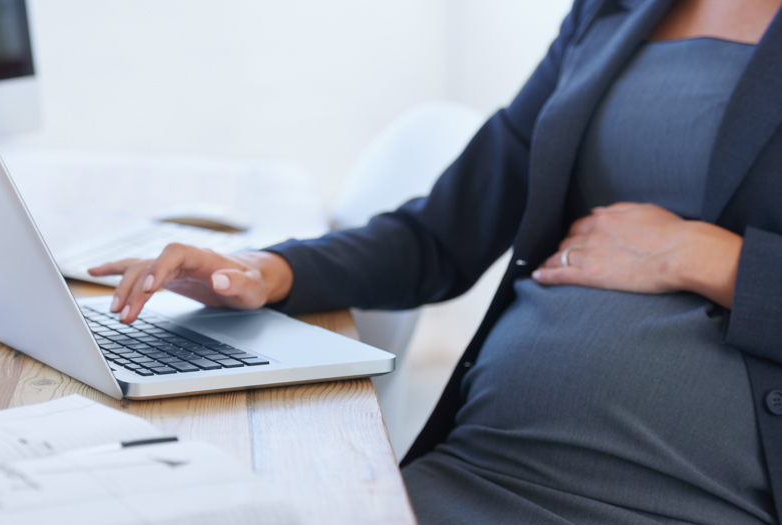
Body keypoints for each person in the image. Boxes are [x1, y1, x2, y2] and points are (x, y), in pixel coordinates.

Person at [89, 0, 782, 522]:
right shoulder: (610, 11)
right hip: (480, 463)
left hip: (678, 495)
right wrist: (266, 271)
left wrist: (710, 258)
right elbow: (442, 233)